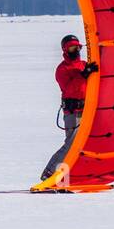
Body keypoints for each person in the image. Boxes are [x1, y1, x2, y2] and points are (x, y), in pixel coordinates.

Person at [41, 34, 99, 181]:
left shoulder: (85, 65)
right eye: (72, 48)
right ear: (66, 50)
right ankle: (50, 172)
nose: (76, 50)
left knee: (88, 145)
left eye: (78, 47)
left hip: (88, 110)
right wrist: (83, 75)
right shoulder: (62, 70)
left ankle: (70, 178)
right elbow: (69, 89)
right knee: (71, 145)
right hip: (73, 112)